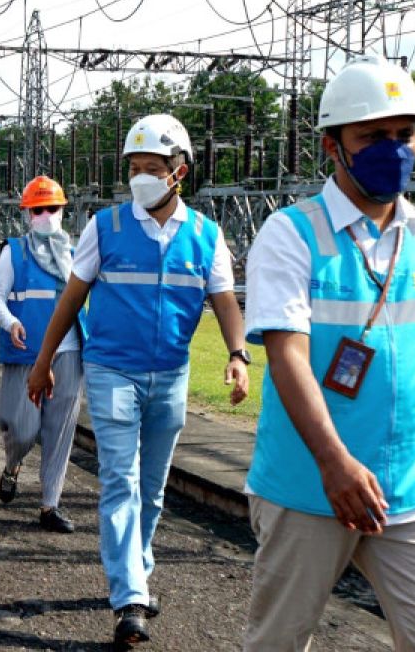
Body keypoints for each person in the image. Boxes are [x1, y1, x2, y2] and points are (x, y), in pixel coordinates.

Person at [241, 54, 415, 651]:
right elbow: (287, 356)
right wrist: (335, 463)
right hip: (308, 485)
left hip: (410, 488)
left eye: (404, 135)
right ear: (332, 145)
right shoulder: (292, 234)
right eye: (372, 136)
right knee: (279, 641)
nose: (392, 148)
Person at [28, 114, 250, 648]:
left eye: (153, 168)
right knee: (121, 481)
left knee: (152, 490)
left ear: (180, 173)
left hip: (171, 375)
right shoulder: (105, 228)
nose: (141, 177)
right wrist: (43, 360)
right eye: (134, 167)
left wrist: (238, 354)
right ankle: (129, 595)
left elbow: (224, 300)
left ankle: (136, 571)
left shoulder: (205, 235)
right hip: (111, 371)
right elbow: (72, 297)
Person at [0, 175, 84, 534]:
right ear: (28, 214)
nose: (46, 215)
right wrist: (10, 321)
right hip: (26, 350)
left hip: (69, 350)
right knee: (24, 427)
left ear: (63, 211)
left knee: (60, 430)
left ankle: (50, 506)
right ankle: (13, 464)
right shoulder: (15, 252)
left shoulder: (75, 255)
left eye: (53, 208)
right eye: (39, 209)